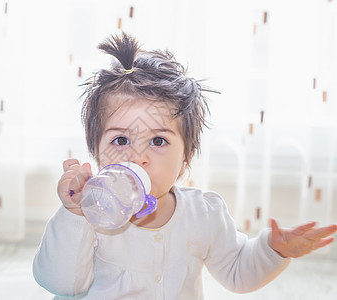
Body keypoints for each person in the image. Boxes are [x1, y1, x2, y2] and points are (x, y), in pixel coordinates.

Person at [33, 32, 337, 299]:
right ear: (97, 152)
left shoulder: (203, 214)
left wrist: (273, 249)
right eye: (121, 140)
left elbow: (238, 274)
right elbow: (61, 283)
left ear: (186, 159)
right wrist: (75, 215)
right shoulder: (92, 214)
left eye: (158, 141)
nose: (138, 157)